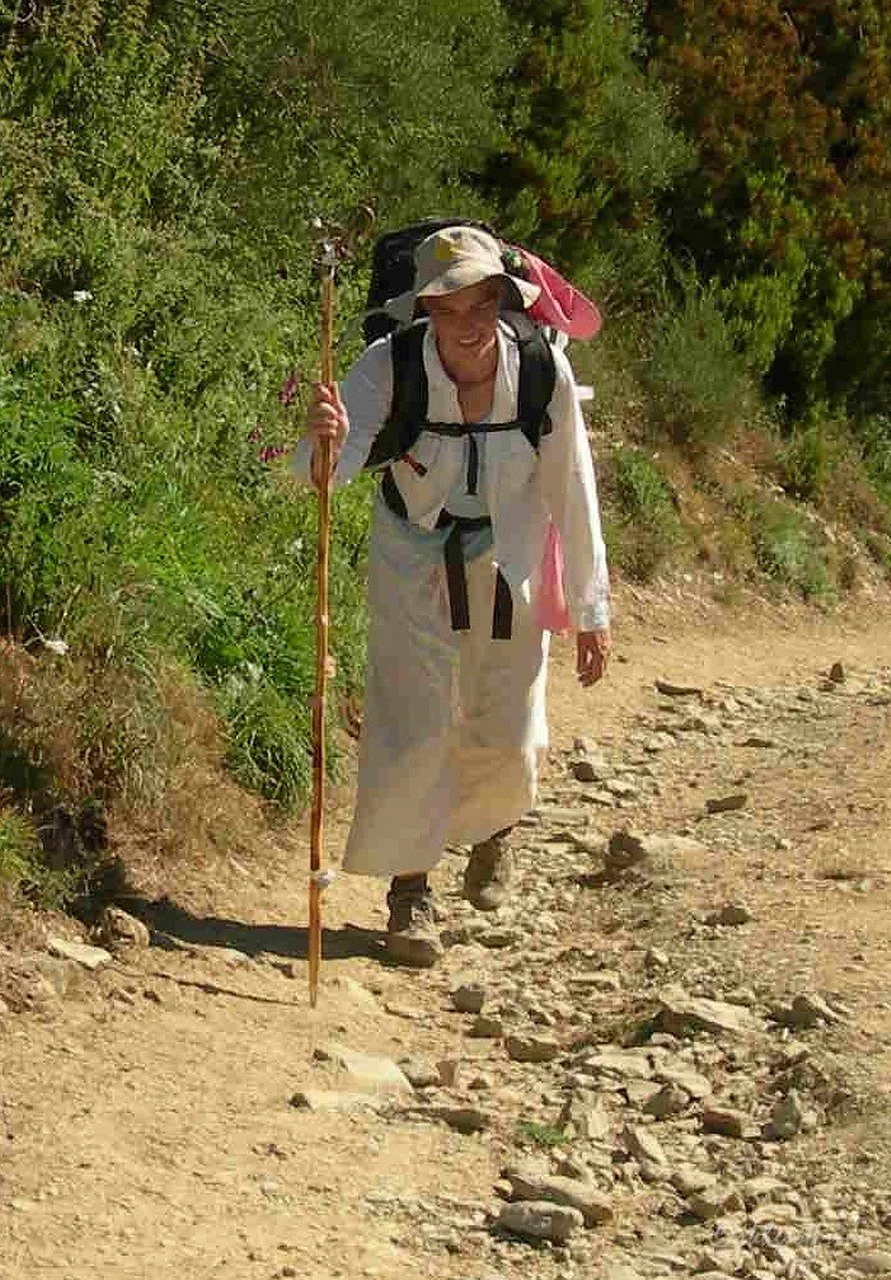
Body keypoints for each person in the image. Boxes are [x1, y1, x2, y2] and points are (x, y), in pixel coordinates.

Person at [294, 225, 611, 967]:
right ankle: (410, 894)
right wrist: (325, 441)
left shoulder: (541, 369)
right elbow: (325, 474)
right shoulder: (389, 363)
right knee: (413, 721)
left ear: (502, 300)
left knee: (510, 722)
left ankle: (493, 828)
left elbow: (572, 485)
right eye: (448, 308)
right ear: (424, 309)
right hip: (412, 551)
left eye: (481, 305)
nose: (467, 325)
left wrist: (591, 610)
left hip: (509, 550)